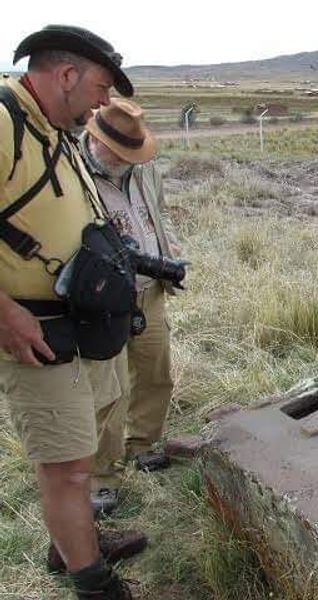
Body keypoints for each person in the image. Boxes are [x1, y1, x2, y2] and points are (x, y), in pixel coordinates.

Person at [0, 25, 145, 599]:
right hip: (34, 329)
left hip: (79, 323)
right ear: (66, 75)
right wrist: (5, 314)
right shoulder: (4, 124)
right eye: (101, 87)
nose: (105, 102)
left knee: (79, 448)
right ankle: (92, 583)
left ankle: (73, 540)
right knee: (68, 466)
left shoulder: (54, 130)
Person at [79, 98, 181, 515]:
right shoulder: (74, 175)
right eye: (118, 153)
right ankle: (102, 476)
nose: (125, 161)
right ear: (94, 140)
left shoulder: (144, 167)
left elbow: (159, 214)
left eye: (131, 154)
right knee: (109, 391)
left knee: (156, 374)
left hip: (149, 290)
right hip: (104, 301)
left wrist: (170, 253)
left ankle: (143, 446)